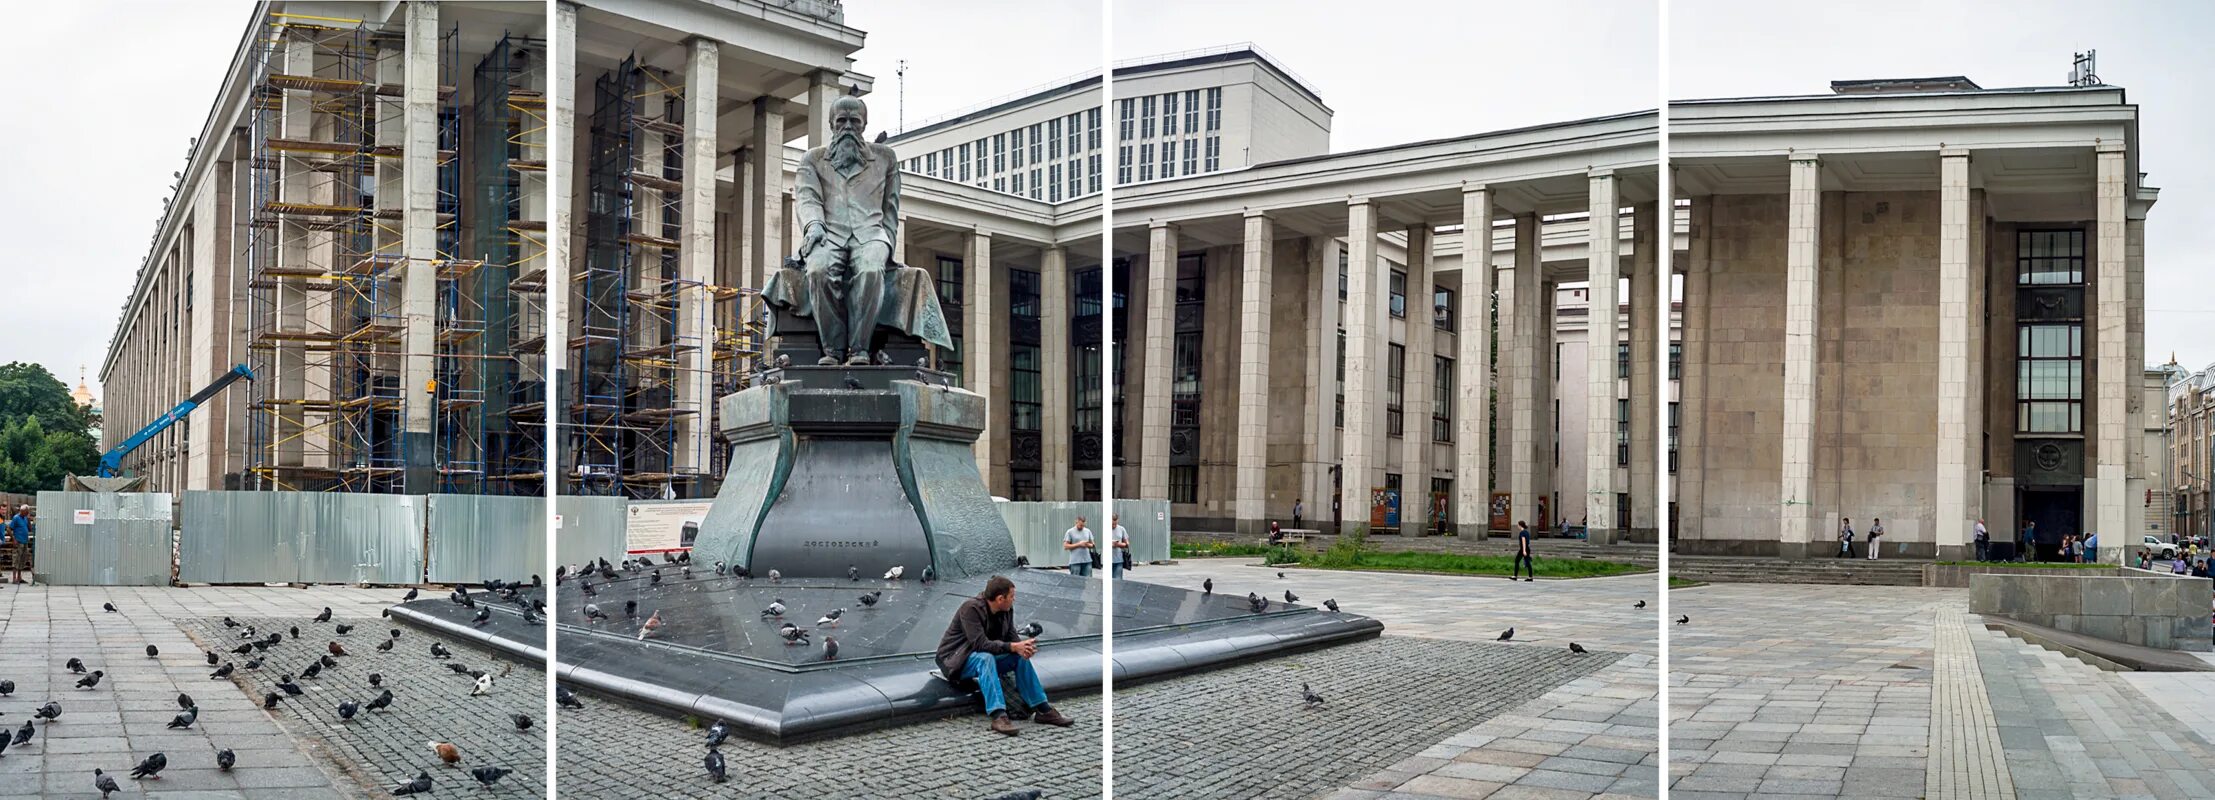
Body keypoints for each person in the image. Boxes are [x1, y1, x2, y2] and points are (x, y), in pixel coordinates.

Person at [935, 575, 1075, 736]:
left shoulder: (1006, 610)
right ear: (1000, 598)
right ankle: (999, 716)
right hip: (955, 660)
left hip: (981, 656)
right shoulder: (970, 609)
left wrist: (1024, 649)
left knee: (1018, 658)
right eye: (1012, 597)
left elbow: (1011, 636)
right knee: (985, 658)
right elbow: (980, 644)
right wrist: (1014, 646)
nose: (1013, 600)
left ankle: (1043, 709)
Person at [4, 504, 28, 585]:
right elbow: (8, 529)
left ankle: (19, 577)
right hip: (18, 542)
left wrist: (29, 520)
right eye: (26, 512)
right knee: (16, 560)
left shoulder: (25, 518)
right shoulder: (16, 518)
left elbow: (29, 528)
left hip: (25, 542)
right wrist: (13, 539)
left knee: (22, 560)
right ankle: (14, 578)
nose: (27, 513)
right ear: (22, 511)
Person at [1109, 514, 1131, 580]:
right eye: (1112, 524)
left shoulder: (1121, 529)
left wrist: (1118, 544)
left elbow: (1127, 544)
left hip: (1118, 559)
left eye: (1115, 524)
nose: (1113, 526)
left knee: (1118, 581)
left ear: (1117, 521)